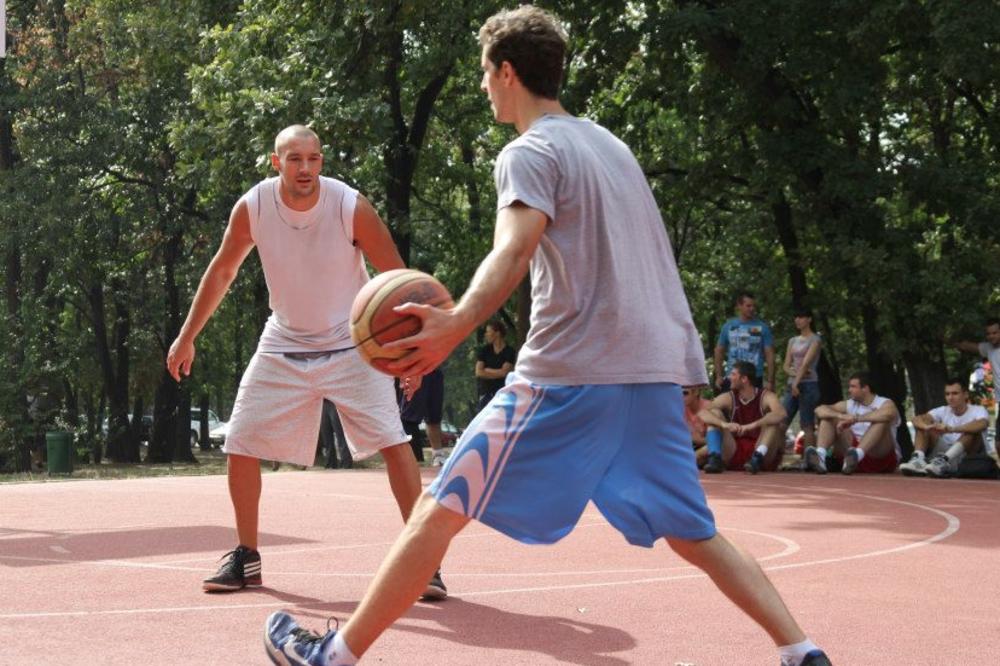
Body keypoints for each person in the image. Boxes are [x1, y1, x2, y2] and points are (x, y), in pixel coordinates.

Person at [263, 8, 829, 666]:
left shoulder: (531, 152)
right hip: (646, 376)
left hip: (567, 376)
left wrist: (454, 324)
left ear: (508, 72)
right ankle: (801, 650)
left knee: (441, 503)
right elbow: (657, 261)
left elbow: (513, 250)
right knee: (695, 532)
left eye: (484, 73)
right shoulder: (610, 147)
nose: (482, 87)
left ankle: (333, 655)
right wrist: (685, 372)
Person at [166, 124, 445, 601]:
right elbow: (224, 269)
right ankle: (246, 556)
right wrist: (187, 334)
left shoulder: (348, 206)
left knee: (395, 442)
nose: (305, 168)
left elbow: (396, 278)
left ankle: (425, 561)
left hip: (353, 342)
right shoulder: (253, 207)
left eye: (313, 158)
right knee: (240, 440)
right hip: (284, 340)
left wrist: (411, 354)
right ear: (276, 162)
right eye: (295, 159)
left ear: (322, 161)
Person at [697, 362, 788, 474]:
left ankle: (757, 457)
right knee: (714, 413)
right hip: (733, 451)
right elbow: (702, 413)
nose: (729, 377)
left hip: (761, 450)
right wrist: (724, 424)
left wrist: (752, 425)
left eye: (733, 374)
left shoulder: (766, 396)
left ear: (744, 379)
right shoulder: (729, 397)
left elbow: (781, 414)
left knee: (773, 419)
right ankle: (714, 459)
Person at [807, 372, 900, 475]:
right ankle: (820, 455)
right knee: (828, 417)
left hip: (880, 456)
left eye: (853, 387)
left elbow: (888, 414)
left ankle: (857, 455)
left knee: (882, 421)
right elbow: (819, 410)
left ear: (865, 388)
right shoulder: (850, 404)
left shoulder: (884, 402)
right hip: (851, 454)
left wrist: (855, 419)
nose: (849, 390)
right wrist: (841, 416)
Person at [898, 379, 989, 478]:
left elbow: (982, 424)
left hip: (966, 458)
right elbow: (917, 419)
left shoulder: (978, 410)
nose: (950, 397)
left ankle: (944, 461)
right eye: (947, 394)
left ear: (965, 394)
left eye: (955, 393)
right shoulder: (942, 410)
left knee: (972, 431)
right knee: (923, 425)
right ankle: (918, 460)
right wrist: (927, 427)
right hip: (940, 457)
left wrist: (952, 429)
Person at [714, 291, 775, 393]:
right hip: (732, 377)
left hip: (754, 378)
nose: (752, 309)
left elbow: (770, 354)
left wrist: (770, 381)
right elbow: (719, 351)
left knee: (753, 408)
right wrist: (719, 376)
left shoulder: (763, 327)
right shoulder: (728, 326)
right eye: (748, 306)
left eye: (753, 306)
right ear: (739, 306)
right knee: (728, 407)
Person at [781, 309, 822, 452]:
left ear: (809, 319)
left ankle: (809, 460)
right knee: (781, 421)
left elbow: (806, 364)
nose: (798, 320)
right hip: (793, 383)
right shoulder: (792, 340)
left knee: (807, 424)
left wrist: (796, 382)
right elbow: (786, 366)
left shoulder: (815, 339)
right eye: (796, 317)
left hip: (809, 384)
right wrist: (795, 376)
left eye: (801, 316)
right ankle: (775, 458)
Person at [954, 318, 1000, 441]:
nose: (991, 336)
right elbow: (969, 346)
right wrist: (946, 339)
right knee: (998, 444)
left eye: (994, 333)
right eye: (988, 333)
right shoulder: (989, 348)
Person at [399, 366, 447, 466]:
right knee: (409, 417)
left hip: (434, 369)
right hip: (414, 368)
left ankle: (438, 455)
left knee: (434, 417)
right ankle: (413, 459)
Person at [475, 318, 516, 409]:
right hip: (485, 394)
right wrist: (499, 372)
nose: (486, 335)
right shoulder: (484, 350)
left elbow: (505, 373)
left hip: (503, 394)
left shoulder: (510, 352)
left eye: (488, 332)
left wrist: (487, 370)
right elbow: (478, 372)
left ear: (497, 333)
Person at [320, 400, 352, 470]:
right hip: (322, 403)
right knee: (326, 437)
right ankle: (330, 464)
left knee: (341, 436)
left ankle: (346, 464)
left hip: (336, 402)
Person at [683, 385, 711, 463]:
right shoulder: (679, 408)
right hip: (688, 448)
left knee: (710, 448)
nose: (681, 396)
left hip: (705, 448)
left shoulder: (709, 408)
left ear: (696, 392)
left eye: (685, 393)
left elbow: (716, 441)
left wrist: (693, 439)